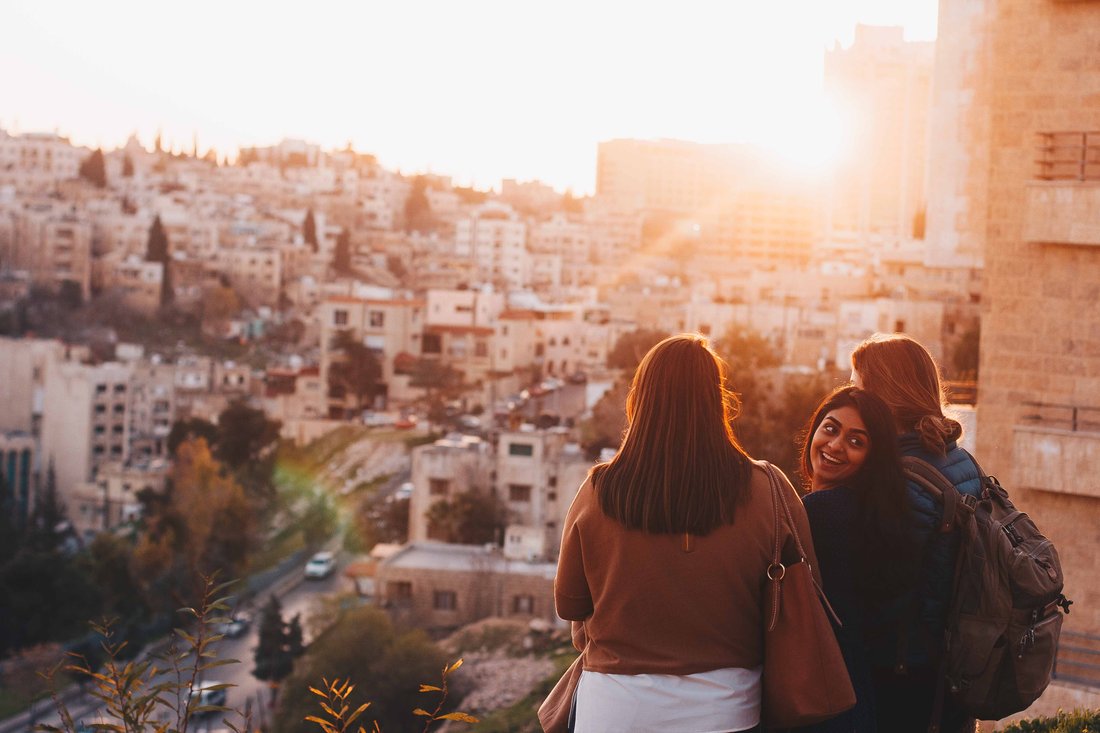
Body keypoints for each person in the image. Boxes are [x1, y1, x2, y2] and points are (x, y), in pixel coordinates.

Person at [554, 333, 817, 733]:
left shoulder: (599, 490)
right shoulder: (769, 489)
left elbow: (570, 604)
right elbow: (805, 591)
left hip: (613, 708)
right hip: (724, 709)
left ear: (640, 399)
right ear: (717, 400)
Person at [850, 333, 981, 733]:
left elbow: (882, 593)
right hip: (951, 667)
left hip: (901, 674)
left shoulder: (897, 478)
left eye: (858, 391)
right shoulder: (960, 459)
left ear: (882, 396)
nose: (853, 401)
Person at [794, 386, 917, 733]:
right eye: (831, 429)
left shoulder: (821, 514)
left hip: (816, 701)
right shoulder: (872, 516)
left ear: (871, 459)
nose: (835, 446)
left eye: (856, 441)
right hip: (855, 697)